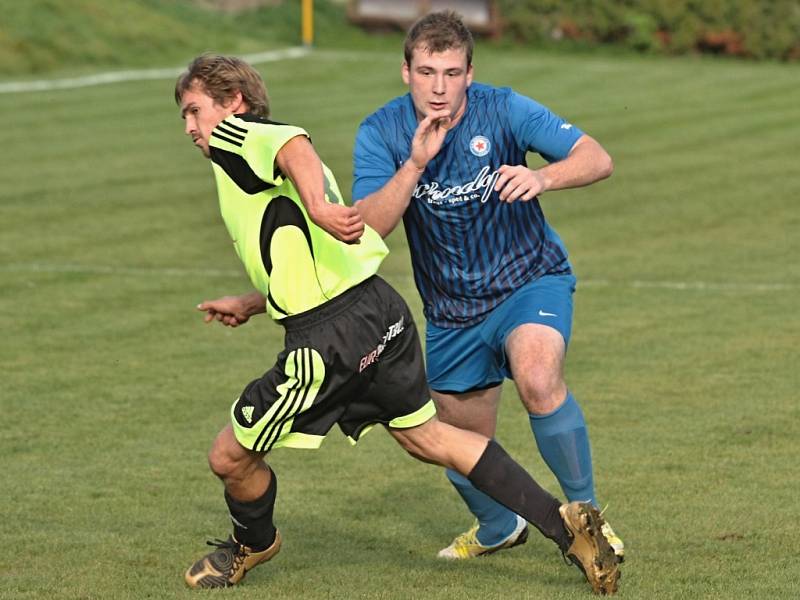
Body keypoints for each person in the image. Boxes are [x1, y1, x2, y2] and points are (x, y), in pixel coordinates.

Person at [174, 54, 620, 594]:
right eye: (185, 116)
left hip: (329, 339)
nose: (191, 127)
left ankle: (251, 542)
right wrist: (252, 300)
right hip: (377, 310)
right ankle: (566, 525)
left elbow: (293, 145)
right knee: (427, 436)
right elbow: (312, 257)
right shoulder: (252, 163)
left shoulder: (238, 136)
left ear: (234, 104)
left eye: (195, 110)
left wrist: (316, 203)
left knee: (229, 455)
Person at [352, 11, 624, 562]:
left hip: (529, 280)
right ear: (405, 71)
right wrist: (415, 164)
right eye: (427, 71)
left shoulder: (504, 109)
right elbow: (369, 224)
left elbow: (597, 158)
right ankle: (499, 526)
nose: (439, 87)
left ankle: (589, 521)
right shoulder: (380, 132)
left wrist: (543, 176)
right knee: (453, 439)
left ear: (470, 73)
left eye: (452, 73)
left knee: (538, 376)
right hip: (452, 312)